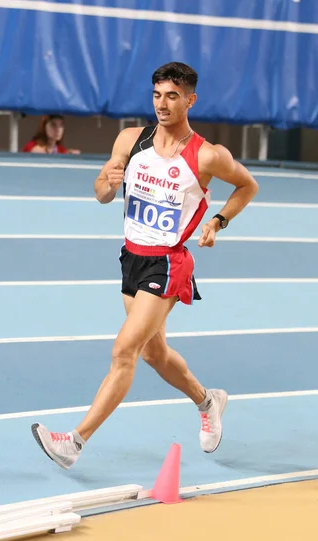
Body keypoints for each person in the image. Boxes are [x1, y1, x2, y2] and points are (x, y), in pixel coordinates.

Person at [31, 61, 259, 470]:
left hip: (168, 264)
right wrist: (108, 183)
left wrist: (218, 221)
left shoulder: (207, 155)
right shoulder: (131, 140)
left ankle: (74, 442)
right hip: (132, 257)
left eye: (172, 96)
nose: (162, 104)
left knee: (124, 351)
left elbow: (248, 185)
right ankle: (209, 401)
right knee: (155, 353)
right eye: (157, 95)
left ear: (190, 99)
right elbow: (101, 193)